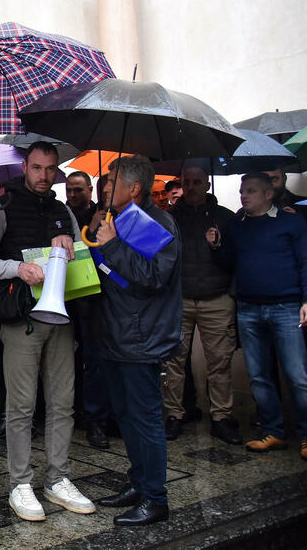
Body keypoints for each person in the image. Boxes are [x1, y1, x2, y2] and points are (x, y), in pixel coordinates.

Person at [0, 141, 94, 522]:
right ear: (25, 167)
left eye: (51, 169)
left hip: (61, 317)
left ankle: (57, 477)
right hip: (21, 319)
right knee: (21, 407)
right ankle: (19, 482)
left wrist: (71, 245)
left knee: (62, 403)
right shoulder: (5, 209)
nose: (44, 176)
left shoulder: (62, 210)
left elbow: (82, 255)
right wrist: (17, 269)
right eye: (38, 168)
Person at [92, 155, 181, 526]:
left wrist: (111, 246)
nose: (106, 187)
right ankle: (139, 483)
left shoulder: (154, 222)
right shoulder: (120, 218)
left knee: (145, 419)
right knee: (126, 415)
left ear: (135, 188)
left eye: (112, 181)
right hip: (117, 333)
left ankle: (155, 498)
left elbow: (151, 276)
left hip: (140, 337)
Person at [208, 172, 307, 460]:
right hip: (248, 307)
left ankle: (305, 434)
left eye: (250, 191)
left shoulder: (291, 222)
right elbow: (229, 262)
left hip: (286, 307)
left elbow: (305, 261)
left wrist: (305, 298)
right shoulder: (237, 226)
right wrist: (216, 245)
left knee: (298, 376)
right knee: (259, 376)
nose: (243, 196)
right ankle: (273, 431)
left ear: (268, 194)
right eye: (242, 191)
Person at [162, 166, 241, 444]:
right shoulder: (169, 218)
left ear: (207, 185)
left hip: (216, 298)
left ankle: (222, 417)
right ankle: (175, 414)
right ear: (181, 184)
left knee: (219, 361)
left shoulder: (226, 218)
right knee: (174, 361)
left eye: (197, 182)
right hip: (180, 298)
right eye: (187, 182)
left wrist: (219, 246)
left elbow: (236, 260)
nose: (192, 187)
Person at [65, 171, 111, 449]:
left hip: (96, 297)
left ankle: (97, 418)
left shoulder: (103, 216)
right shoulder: (62, 213)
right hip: (68, 295)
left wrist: (94, 228)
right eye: (69, 190)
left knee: (93, 358)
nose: (72, 195)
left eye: (78, 190)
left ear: (90, 190)